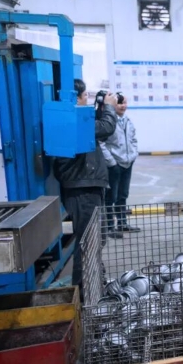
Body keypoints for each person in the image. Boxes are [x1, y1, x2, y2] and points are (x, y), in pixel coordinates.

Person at [53, 79, 117, 290]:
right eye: (85, 96)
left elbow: (94, 129)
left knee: (95, 238)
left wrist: (100, 109)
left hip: (85, 186)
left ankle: (92, 285)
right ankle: (84, 292)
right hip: (82, 189)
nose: (86, 100)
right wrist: (109, 107)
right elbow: (106, 128)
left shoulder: (67, 117)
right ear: (76, 97)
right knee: (88, 241)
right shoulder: (71, 119)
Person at [100, 92, 140, 238]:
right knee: (111, 197)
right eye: (120, 103)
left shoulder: (128, 121)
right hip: (114, 165)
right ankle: (110, 227)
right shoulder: (108, 122)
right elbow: (101, 143)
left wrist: (133, 155)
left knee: (123, 195)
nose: (123, 106)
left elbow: (133, 139)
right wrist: (111, 162)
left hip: (127, 163)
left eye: (125, 102)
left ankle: (122, 223)